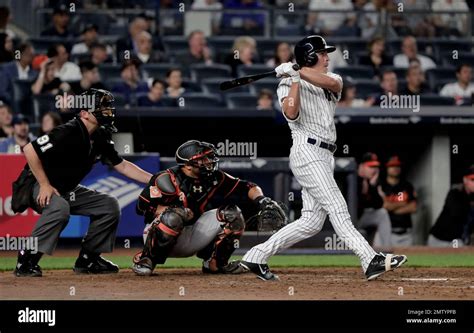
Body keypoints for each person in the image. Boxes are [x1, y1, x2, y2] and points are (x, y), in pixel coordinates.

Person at [227, 36, 407, 281]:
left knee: (311, 222)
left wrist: (296, 71)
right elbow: (291, 113)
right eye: (322, 53)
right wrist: (293, 79)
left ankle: (256, 255)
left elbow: (331, 84)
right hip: (307, 152)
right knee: (338, 207)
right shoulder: (286, 85)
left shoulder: (333, 80)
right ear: (310, 57)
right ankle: (370, 259)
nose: (327, 57)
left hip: (326, 154)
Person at [12, 89, 152, 277]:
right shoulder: (69, 130)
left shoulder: (100, 135)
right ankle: (26, 260)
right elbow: (30, 149)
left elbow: (123, 166)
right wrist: (44, 185)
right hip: (36, 183)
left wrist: (154, 180)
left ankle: (89, 259)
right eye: (101, 107)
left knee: (108, 205)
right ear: (84, 113)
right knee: (59, 208)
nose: (107, 110)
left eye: (107, 106)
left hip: (65, 189)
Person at [132, 140, 286, 275]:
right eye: (203, 159)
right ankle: (146, 259)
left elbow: (248, 187)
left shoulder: (215, 177)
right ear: (188, 165)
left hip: (192, 234)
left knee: (233, 214)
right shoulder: (165, 178)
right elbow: (141, 208)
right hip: (160, 232)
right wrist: (175, 211)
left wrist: (262, 200)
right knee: (175, 216)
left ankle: (215, 264)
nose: (209, 161)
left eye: (209, 157)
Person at [428, 165, 474, 247]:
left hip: (456, 241)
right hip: (438, 239)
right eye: (472, 180)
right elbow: (457, 212)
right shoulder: (455, 192)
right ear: (465, 180)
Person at [355, 152, 392, 248]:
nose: (374, 170)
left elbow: (378, 205)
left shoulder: (371, 181)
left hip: (361, 218)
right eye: (370, 167)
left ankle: (387, 249)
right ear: (362, 166)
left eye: (376, 167)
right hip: (347, 220)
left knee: (382, 213)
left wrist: (372, 186)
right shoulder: (351, 177)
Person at [381, 156, 417, 246]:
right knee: (386, 259)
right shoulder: (381, 186)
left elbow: (413, 207)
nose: (395, 168)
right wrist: (403, 203)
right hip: (387, 232)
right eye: (392, 166)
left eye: (397, 166)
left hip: (406, 233)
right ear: (387, 168)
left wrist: (391, 208)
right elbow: (383, 206)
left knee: (407, 259)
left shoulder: (407, 186)